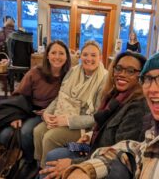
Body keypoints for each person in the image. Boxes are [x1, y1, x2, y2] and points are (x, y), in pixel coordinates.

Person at [62, 46, 159, 179]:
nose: (152, 88)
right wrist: (87, 169)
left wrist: (76, 163)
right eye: (148, 79)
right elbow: (128, 151)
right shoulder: (155, 133)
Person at [39, 51, 151, 179]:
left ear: (141, 76)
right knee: (52, 154)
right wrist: (90, 135)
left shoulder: (137, 107)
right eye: (119, 69)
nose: (122, 74)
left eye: (131, 71)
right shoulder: (114, 96)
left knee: (53, 154)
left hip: (103, 159)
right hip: (92, 145)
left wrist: (73, 163)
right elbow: (102, 124)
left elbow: (119, 155)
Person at [0, 39, 71, 178]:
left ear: (67, 57)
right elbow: (18, 95)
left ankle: (31, 162)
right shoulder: (35, 72)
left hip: (51, 114)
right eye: (53, 52)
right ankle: (23, 159)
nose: (57, 56)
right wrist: (15, 116)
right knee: (5, 134)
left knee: (26, 132)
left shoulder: (69, 76)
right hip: (28, 110)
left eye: (61, 53)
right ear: (47, 55)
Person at [33, 40, 107, 168]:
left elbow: (96, 117)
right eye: (85, 55)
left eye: (93, 55)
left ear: (100, 57)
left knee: (50, 137)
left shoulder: (104, 80)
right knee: (38, 131)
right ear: (80, 56)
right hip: (62, 115)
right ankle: (40, 166)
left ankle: (49, 172)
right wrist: (47, 113)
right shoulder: (73, 72)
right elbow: (60, 97)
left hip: (84, 128)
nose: (89, 58)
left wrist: (67, 121)